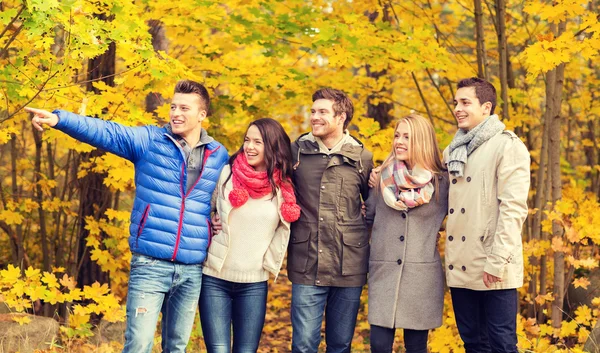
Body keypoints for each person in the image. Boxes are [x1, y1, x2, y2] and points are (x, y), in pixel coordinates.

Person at [26, 80, 229, 353]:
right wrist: (60, 119)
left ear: (202, 115)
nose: (176, 113)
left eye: (185, 108)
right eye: (173, 106)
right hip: (150, 265)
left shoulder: (218, 155)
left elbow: (227, 196)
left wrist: (216, 219)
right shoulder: (149, 140)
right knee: (138, 346)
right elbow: (105, 131)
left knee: (177, 347)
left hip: (191, 269)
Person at [200, 118, 301, 352]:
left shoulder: (283, 187)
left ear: (273, 146)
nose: (250, 146)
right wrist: (210, 222)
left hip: (254, 284)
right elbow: (204, 208)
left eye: (258, 141)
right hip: (215, 278)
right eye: (247, 140)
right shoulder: (226, 174)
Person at [444, 77, 530, 352]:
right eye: (456, 102)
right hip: (461, 261)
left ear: (486, 107)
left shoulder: (508, 146)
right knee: (473, 343)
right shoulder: (453, 149)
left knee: (502, 343)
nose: (457, 108)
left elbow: (513, 208)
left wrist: (497, 260)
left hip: (494, 263)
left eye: (465, 102)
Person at [288, 88, 374, 353]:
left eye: (322, 112)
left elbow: (374, 208)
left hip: (348, 264)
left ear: (341, 117)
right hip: (306, 262)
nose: (314, 117)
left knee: (340, 345)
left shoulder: (363, 158)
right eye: (313, 111)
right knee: (303, 345)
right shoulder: (296, 153)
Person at [365, 114, 448, 353]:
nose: (399, 141)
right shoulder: (380, 178)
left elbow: (454, 219)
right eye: (397, 136)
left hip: (421, 277)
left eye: (407, 137)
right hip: (384, 273)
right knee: (379, 345)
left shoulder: (443, 183)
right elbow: (368, 218)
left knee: (416, 347)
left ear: (421, 141)